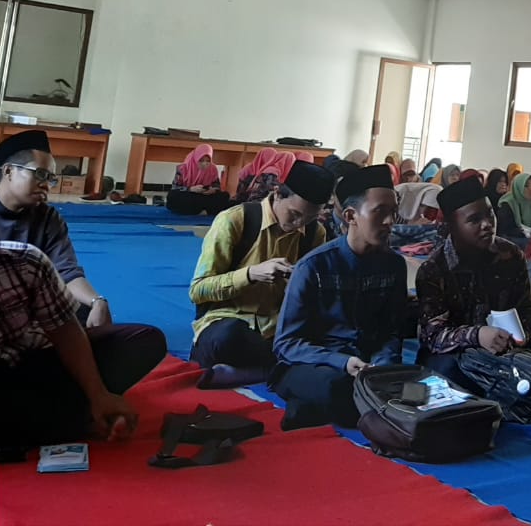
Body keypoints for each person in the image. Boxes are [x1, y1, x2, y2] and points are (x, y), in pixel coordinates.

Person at [0, 132, 163, 351]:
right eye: (40, 174)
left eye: (50, 179)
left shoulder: (48, 218)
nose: (46, 185)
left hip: (32, 305)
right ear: (8, 171)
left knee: (84, 312)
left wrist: (97, 301)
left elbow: (66, 272)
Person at [270, 165, 407, 430]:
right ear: (350, 215)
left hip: (367, 365)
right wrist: (343, 362)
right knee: (337, 387)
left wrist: (383, 363)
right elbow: (287, 343)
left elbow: (392, 330)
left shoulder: (394, 265)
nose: (390, 221)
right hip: (317, 364)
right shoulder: (313, 266)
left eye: (393, 212)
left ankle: (316, 408)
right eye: (380, 212)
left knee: (424, 386)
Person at [415, 176, 531, 386]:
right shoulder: (434, 269)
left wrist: (519, 337)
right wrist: (477, 336)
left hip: (506, 348)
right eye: (474, 220)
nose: (487, 224)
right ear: (452, 226)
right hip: (457, 354)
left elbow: (528, 309)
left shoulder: (510, 255)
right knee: (445, 372)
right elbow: (432, 337)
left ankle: (505, 378)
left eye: (490, 214)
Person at [188, 162, 335, 386]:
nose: (299, 224)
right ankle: (276, 370)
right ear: (277, 193)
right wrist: (250, 274)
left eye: (309, 218)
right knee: (228, 338)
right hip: (229, 322)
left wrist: (302, 284)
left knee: (334, 337)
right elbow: (198, 290)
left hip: (278, 330)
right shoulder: (235, 220)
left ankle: (252, 372)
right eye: (295, 214)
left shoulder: (315, 232)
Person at [0, 242, 148, 453]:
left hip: (28, 358)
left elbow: (66, 331)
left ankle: (74, 414)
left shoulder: (25, 260)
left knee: (143, 340)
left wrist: (98, 394)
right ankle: (67, 420)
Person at [166, 143, 230, 216]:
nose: (205, 164)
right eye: (201, 160)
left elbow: (217, 186)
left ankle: (195, 211)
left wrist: (213, 190)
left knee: (225, 196)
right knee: (172, 196)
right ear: (196, 158)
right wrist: (190, 189)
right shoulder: (182, 168)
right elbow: (175, 187)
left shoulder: (213, 169)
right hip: (189, 195)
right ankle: (206, 211)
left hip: (204, 196)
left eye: (208, 161)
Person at [496, 170, 531, 247]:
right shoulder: (508, 203)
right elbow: (505, 230)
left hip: (530, 235)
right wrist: (525, 232)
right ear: (518, 187)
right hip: (509, 237)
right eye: (526, 186)